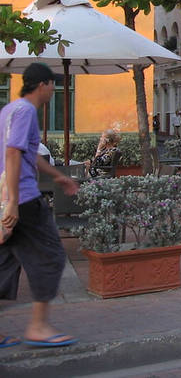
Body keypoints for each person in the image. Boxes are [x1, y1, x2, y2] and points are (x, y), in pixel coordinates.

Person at [0, 62, 78, 348]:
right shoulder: (26, 112)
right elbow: (12, 153)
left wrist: (58, 176)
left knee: (4, 263)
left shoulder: (9, 109)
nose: (54, 89)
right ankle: (38, 326)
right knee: (51, 256)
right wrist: (12, 203)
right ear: (42, 84)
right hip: (23, 199)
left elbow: (29, 154)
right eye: (53, 84)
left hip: (8, 198)